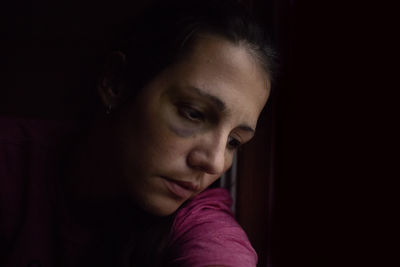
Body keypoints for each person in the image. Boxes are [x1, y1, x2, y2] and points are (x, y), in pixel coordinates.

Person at [0, 0, 276, 266]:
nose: (215, 163)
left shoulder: (197, 217)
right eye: (194, 113)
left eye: (233, 141)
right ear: (115, 83)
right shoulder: (11, 161)